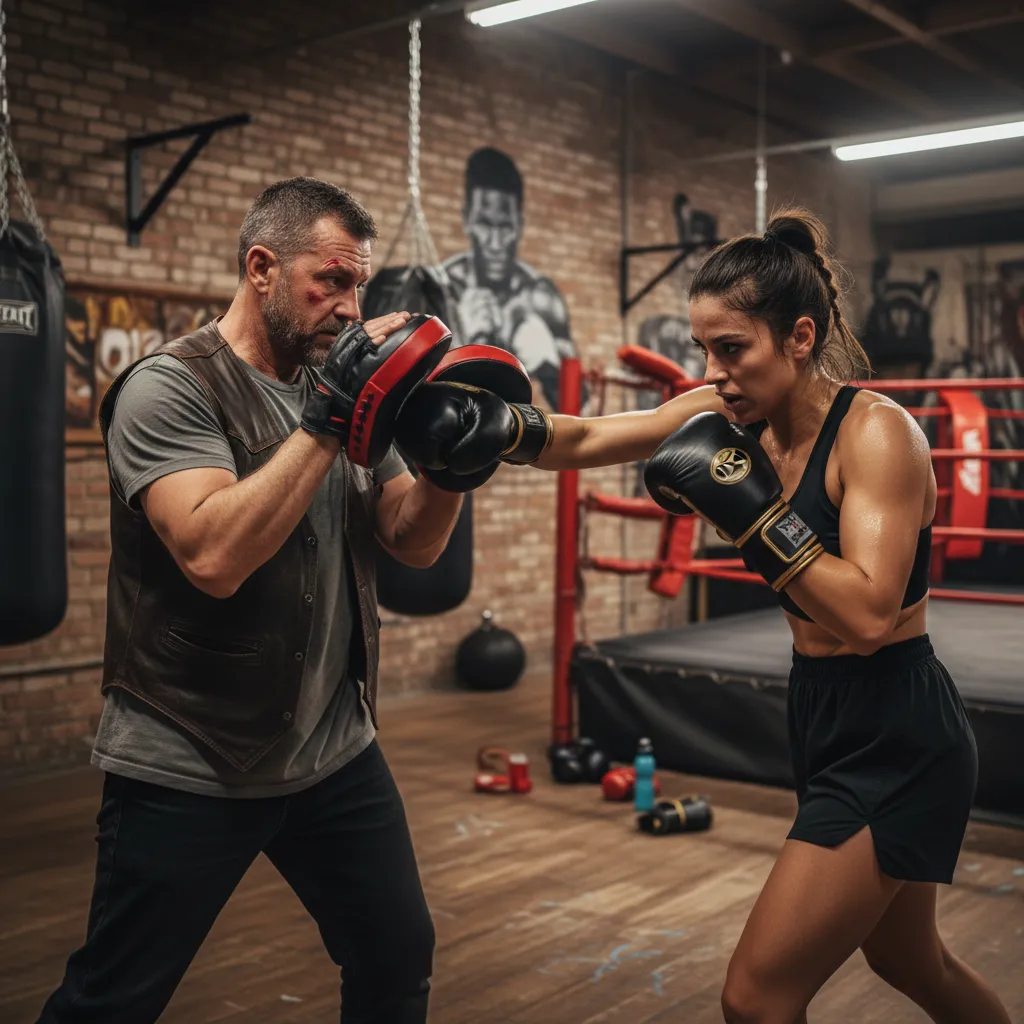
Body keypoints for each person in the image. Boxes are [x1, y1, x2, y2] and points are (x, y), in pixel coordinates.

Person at [396, 208, 1011, 1024]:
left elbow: (867, 616)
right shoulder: (729, 415)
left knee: (755, 998)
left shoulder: (877, 436)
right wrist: (500, 427)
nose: (716, 373)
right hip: (822, 712)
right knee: (911, 959)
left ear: (798, 338)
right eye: (705, 351)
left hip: (898, 728)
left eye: (733, 349)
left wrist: (757, 521)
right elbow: (586, 438)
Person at [37, 177, 465, 1024]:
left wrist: (454, 468)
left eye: (360, 286)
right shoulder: (170, 388)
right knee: (112, 1000)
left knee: (396, 957)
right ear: (262, 267)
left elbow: (408, 541)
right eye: (331, 282)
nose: (351, 307)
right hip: (193, 753)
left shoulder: (338, 383)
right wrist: (328, 421)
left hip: (333, 751)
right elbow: (213, 555)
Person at [442, 146, 576, 408]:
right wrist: (462, 341)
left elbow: (579, 408)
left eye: (505, 227)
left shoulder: (541, 299)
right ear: (467, 219)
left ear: (519, 226)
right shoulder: (441, 290)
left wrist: (550, 371)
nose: (494, 243)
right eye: (484, 224)